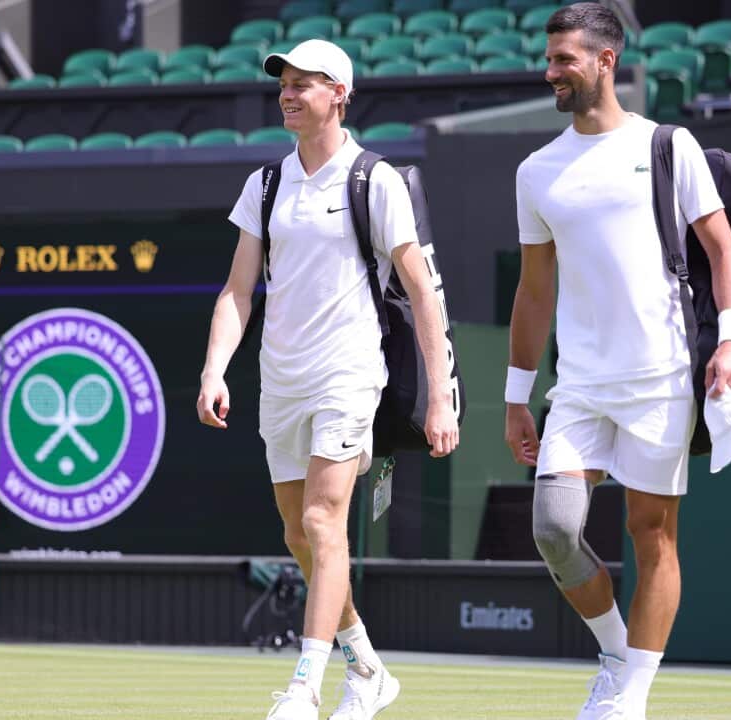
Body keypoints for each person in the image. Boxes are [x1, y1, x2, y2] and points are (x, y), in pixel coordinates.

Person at [196, 39, 459, 720]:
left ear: (339, 94)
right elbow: (238, 290)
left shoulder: (376, 180)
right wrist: (214, 367)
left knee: (322, 520)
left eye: (303, 83)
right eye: (283, 83)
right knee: (297, 534)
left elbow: (421, 293)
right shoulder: (266, 184)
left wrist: (441, 395)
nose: (287, 93)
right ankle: (366, 665)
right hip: (279, 381)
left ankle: (306, 686)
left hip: (348, 374)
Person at [503, 4, 731, 719]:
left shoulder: (670, 145)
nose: (551, 71)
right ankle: (615, 654)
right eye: (548, 59)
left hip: (661, 377)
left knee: (652, 535)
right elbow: (535, 288)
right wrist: (518, 395)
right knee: (553, 527)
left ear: (605, 60)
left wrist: (730, 339)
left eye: (564, 60)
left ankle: (631, 697)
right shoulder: (535, 170)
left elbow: (723, 251)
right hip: (579, 385)